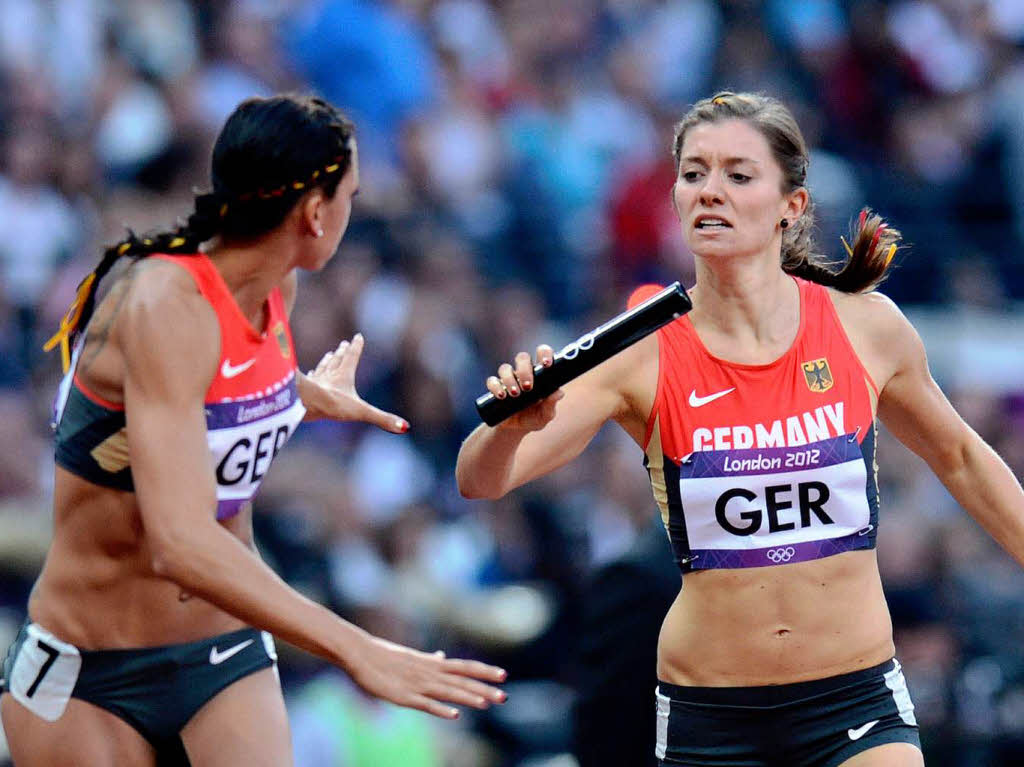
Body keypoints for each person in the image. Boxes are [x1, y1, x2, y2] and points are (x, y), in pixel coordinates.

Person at [456, 91, 1024, 767]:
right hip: (711, 717)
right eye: (693, 174)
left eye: (738, 174)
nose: (710, 192)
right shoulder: (642, 353)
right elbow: (480, 479)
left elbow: (961, 456)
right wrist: (514, 425)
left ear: (793, 205)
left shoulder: (865, 326)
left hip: (854, 698)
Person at [0, 94, 506, 767]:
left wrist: (298, 397)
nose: (354, 213)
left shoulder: (276, 289)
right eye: (350, 195)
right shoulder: (161, 302)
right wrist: (358, 648)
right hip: (90, 668)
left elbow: (203, 409)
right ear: (314, 211)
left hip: (218, 651)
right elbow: (178, 543)